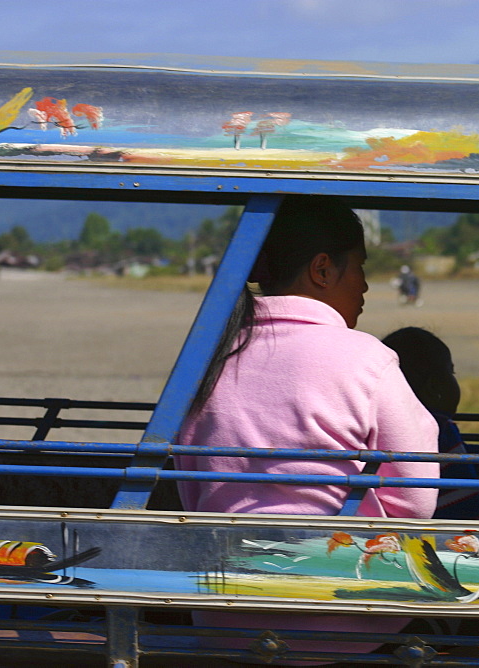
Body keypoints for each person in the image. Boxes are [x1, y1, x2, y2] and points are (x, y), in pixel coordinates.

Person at [176, 196, 439, 663]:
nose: (365, 286)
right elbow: (416, 502)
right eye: (359, 267)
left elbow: (192, 484)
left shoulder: (209, 359)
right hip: (347, 622)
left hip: (223, 621)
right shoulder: (366, 359)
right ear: (322, 269)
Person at [381, 327, 479, 520]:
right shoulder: (439, 427)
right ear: (434, 387)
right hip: (456, 539)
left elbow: (460, 454)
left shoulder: (391, 430)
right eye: (451, 372)